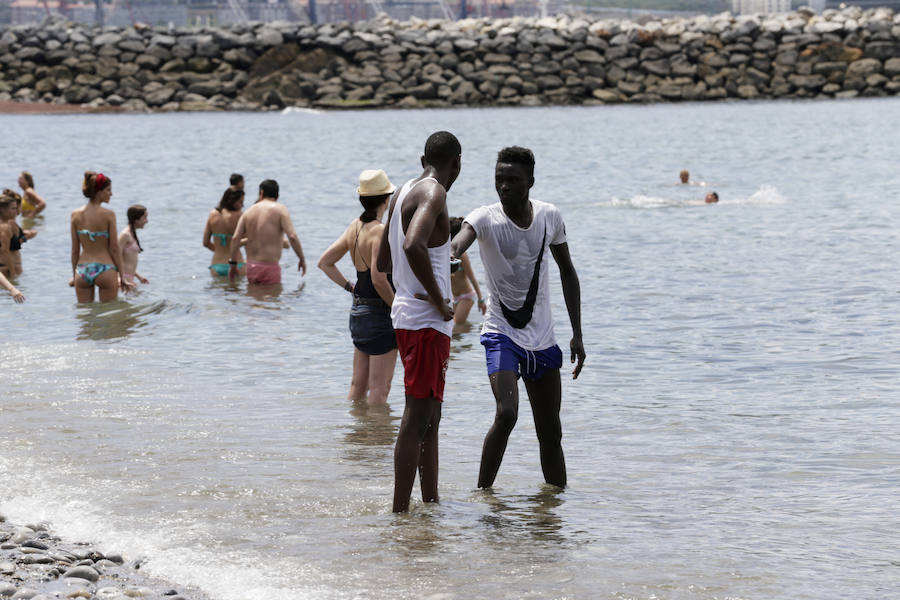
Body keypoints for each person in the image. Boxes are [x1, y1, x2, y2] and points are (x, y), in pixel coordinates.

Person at [450, 146, 585, 490]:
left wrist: (577, 334)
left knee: (550, 431)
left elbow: (568, 273)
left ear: (531, 182)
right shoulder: (484, 217)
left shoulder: (549, 217)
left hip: (543, 339)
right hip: (501, 334)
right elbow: (459, 242)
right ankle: (483, 495)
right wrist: (449, 253)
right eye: (499, 179)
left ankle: (554, 510)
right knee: (507, 413)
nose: (504, 186)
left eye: (513, 180)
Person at [376, 131, 460, 513]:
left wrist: (413, 286)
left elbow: (384, 261)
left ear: (421, 157)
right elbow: (412, 246)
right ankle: (399, 512)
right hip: (426, 321)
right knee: (416, 417)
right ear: (456, 163)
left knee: (431, 417)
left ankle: (430, 504)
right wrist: (440, 298)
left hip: (408, 316)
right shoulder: (434, 192)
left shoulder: (400, 193)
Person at [318, 169, 398, 405]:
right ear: (387, 199)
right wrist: (398, 308)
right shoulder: (380, 231)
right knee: (380, 391)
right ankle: (374, 439)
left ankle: (355, 436)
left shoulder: (355, 226)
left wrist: (350, 287)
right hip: (381, 315)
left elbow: (325, 262)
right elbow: (379, 278)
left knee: (357, 385)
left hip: (358, 312)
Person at [229, 179, 306, 285]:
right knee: (272, 299)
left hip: (252, 267)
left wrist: (233, 264)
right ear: (277, 196)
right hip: (270, 267)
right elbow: (292, 236)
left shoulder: (248, 212)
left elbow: (235, 239)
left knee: (253, 300)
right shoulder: (280, 210)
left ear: (261, 193)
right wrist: (301, 258)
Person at [70, 171, 131, 302]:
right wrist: (122, 276)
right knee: (108, 316)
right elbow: (114, 248)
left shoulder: (75, 215)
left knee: (85, 317)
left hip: (82, 269)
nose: (111, 193)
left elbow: (75, 250)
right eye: (108, 190)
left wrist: (74, 276)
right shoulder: (109, 215)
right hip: (105, 269)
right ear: (99, 191)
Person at [448, 216, 485, 326]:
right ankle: (469, 337)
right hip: (454, 297)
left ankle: (470, 335)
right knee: (454, 328)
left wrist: (480, 300)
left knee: (457, 324)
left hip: (466, 296)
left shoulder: (462, 255)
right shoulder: (445, 254)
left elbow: (471, 277)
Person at [204, 186, 246, 277]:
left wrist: (220, 250)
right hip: (237, 264)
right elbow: (249, 239)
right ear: (232, 201)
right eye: (241, 202)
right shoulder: (239, 216)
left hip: (217, 265)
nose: (243, 205)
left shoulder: (212, 215)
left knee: (219, 290)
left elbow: (205, 242)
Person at [0, 189, 36, 276]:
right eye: (13, 209)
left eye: (16, 208)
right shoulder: (5, 227)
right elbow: (4, 251)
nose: (16, 212)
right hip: (7, 270)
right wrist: (13, 273)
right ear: (2, 209)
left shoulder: (6, 224)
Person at [118, 204, 149, 286]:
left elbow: (128, 261)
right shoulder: (125, 235)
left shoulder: (132, 234)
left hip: (129, 278)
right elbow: (115, 257)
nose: (147, 221)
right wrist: (120, 278)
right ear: (136, 220)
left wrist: (139, 277)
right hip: (123, 279)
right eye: (145, 218)